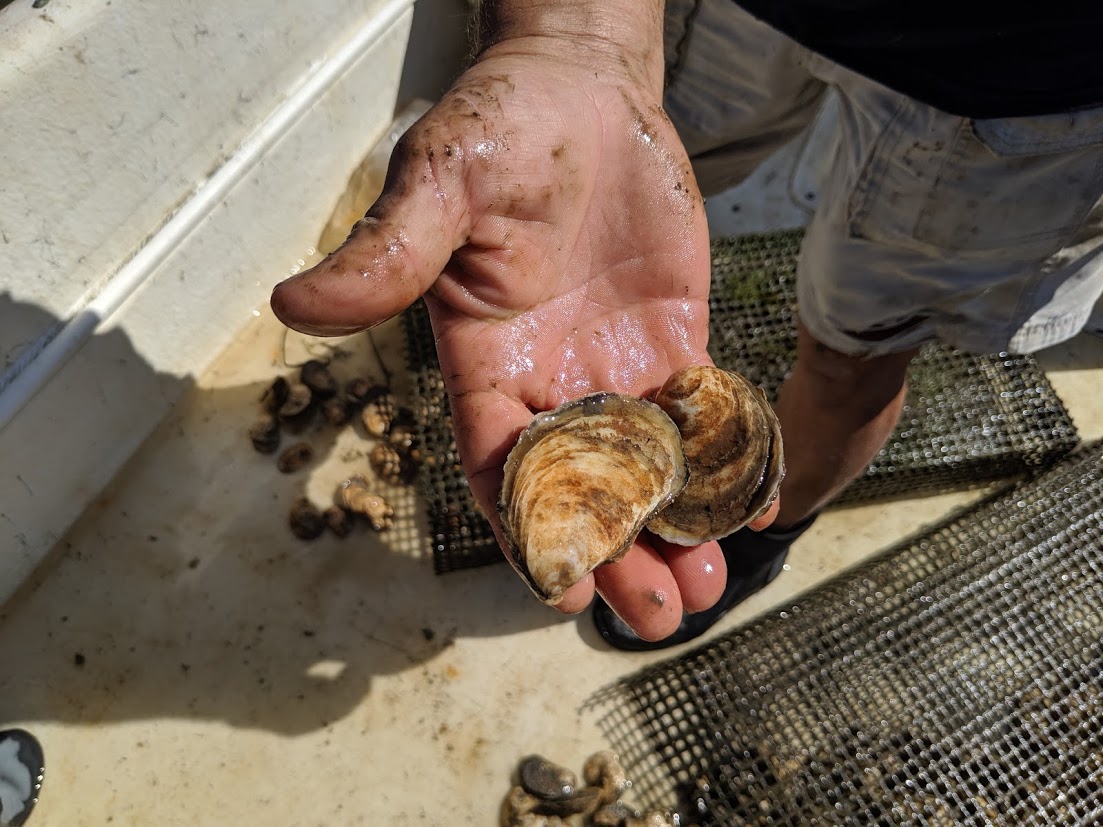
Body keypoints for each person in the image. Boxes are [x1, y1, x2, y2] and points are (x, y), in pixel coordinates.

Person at [271, 0, 1103, 650]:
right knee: (616, 191)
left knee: (861, 352)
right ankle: (729, 512)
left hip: (1033, 83)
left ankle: (762, 530)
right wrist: (569, 38)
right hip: (749, 12)